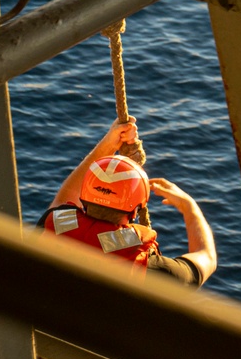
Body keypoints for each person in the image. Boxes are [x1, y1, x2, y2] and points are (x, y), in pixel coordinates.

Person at [37, 118, 217, 288]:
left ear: (84, 195)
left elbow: (63, 199)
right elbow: (207, 258)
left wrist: (108, 144)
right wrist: (189, 207)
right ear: (136, 210)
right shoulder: (155, 270)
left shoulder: (53, 223)